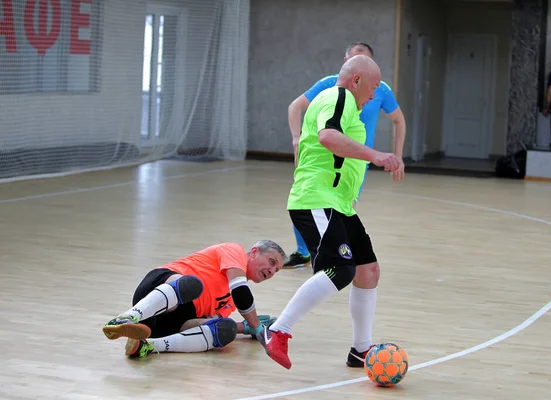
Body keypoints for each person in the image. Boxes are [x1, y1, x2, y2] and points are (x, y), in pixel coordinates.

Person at [257, 55, 402, 370]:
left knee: (368, 271)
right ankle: (278, 330)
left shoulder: (347, 101)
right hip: (316, 199)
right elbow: (328, 136)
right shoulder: (339, 97)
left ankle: (361, 350)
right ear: (356, 80)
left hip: (338, 204)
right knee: (341, 269)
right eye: (374, 87)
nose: (375, 96)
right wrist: (375, 155)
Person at [283, 42, 406, 269]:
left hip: (357, 160)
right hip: (330, 165)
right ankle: (308, 252)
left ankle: (329, 254)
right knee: (336, 262)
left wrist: (396, 157)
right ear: (350, 70)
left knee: (362, 265)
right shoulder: (333, 89)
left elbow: (399, 120)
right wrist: (296, 138)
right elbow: (298, 109)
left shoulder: (380, 89)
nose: (371, 94)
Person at [102, 241, 286, 358]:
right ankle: (126, 318)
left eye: (276, 270)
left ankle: (147, 346)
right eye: (271, 262)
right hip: (159, 287)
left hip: (170, 321)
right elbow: (242, 294)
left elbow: (201, 322)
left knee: (225, 329)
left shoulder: (229, 302)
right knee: (191, 285)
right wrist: (257, 327)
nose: (272, 271)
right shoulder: (234, 251)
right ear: (254, 252)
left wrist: (244, 328)